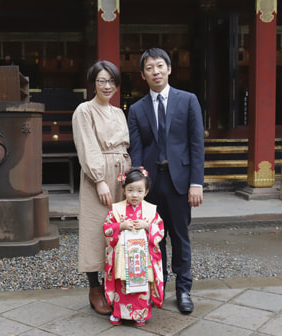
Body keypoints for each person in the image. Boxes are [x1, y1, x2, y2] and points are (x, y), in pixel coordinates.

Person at [127, 48, 204, 314]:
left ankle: (183, 291)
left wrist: (197, 183)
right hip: (150, 185)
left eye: (160, 66)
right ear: (142, 75)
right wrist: (136, 188)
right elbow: (136, 150)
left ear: (169, 69)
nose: (155, 72)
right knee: (153, 240)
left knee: (181, 239)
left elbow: (196, 144)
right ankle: (156, 288)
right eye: (149, 68)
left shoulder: (188, 100)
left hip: (180, 182)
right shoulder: (136, 109)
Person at [72, 60, 131, 315]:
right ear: (93, 83)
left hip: (122, 173)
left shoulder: (118, 111)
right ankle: (94, 288)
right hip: (100, 173)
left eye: (111, 81)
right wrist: (99, 180)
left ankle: (114, 285)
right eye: (101, 81)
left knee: (119, 228)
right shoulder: (85, 110)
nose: (107, 86)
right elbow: (87, 146)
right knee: (96, 227)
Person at [103, 167, 164, 326]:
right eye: (130, 190)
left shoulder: (151, 211)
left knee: (141, 283)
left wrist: (147, 226)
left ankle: (140, 313)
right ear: (123, 190)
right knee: (122, 281)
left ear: (146, 191)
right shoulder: (117, 209)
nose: (134, 195)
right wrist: (121, 226)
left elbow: (160, 230)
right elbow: (107, 228)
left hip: (141, 256)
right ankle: (118, 312)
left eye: (139, 191)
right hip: (123, 256)